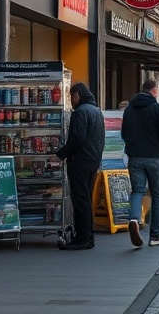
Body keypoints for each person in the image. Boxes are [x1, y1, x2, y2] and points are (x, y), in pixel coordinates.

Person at [120, 78, 159, 248]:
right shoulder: (157, 109)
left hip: (134, 157)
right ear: (154, 91)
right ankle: (155, 235)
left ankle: (134, 219)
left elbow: (124, 134)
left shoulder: (129, 109)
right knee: (157, 195)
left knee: (137, 191)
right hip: (154, 158)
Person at [53, 82, 104, 250]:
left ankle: (83, 238)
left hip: (80, 161)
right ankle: (87, 236)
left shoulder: (80, 112)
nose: (71, 100)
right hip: (92, 160)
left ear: (77, 96)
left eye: (71, 97)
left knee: (80, 200)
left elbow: (77, 138)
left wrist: (61, 154)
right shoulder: (96, 111)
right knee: (85, 199)